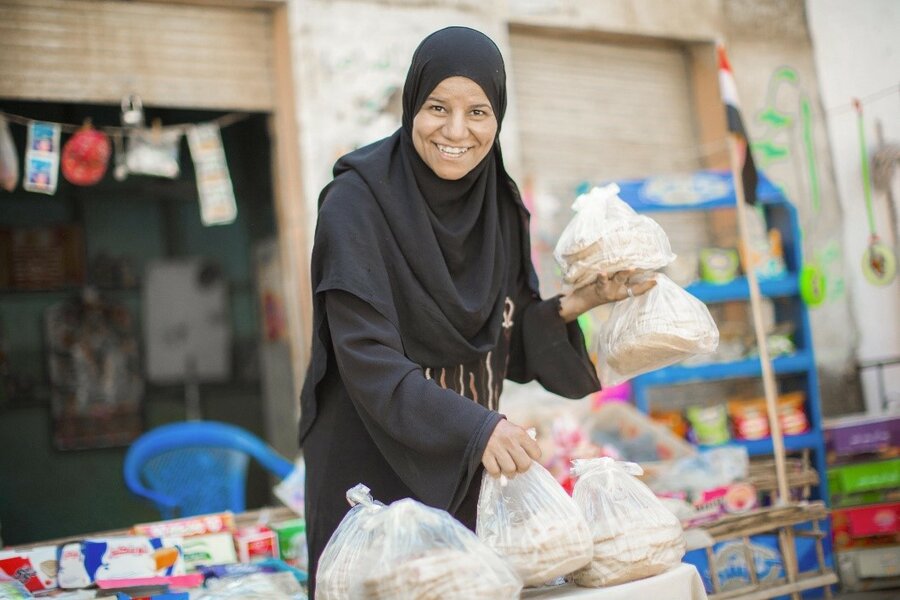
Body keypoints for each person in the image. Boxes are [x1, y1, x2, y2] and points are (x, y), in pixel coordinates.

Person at [299, 25, 655, 596]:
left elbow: (502, 334)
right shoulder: (355, 204)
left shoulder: (498, 202)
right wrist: (479, 427)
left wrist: (578, 303)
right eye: (438, 107)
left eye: (479, 112)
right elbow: (367, 358)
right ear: (413, 103)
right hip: (370, 471)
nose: (457, 131)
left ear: (499, 117)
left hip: (465, 466)